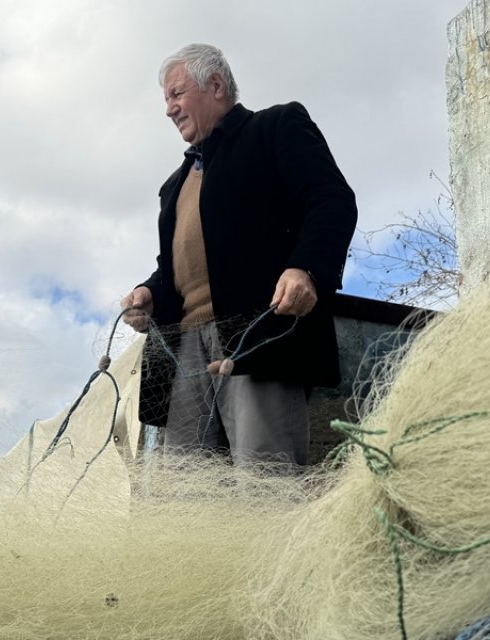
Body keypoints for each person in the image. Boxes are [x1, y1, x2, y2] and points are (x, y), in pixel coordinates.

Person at [122, 43, 356, 472]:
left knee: (264, 483)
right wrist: (149, 293)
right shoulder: (173, 185)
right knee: (182, 492)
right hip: (185, 352)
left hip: (259, 336)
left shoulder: (274, 127)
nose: (169, 109)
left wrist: (306, 268)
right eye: (167, 100)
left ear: (214, 85)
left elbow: (331, 200)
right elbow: (171, 268)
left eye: (176, 94)